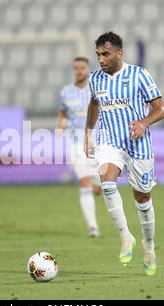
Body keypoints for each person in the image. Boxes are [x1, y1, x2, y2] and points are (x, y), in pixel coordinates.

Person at [84, 32, 164, 276]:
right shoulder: (95, 80)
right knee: (107, 182)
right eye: (98, 54)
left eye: (105, 54)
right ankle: (125, 236)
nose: (100, 59)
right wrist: (88, 133)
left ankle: (149, 245)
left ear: (119, 53)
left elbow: (161, 108)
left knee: (142, 200)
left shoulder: (139, 75)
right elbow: (94, 104)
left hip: (138, 144)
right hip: (110, 141)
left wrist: (143, 122)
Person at [57, 57, 101, 238]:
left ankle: (97, 184)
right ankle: (93, 226)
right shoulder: (66, 92)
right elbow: (63, 112)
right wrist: (60, 125)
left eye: (82, 67)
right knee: (84, 182)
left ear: (87, 69)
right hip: (75, 142)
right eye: (76, 68)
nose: (79, 71)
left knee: (99, 187)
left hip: (99, 141)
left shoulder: (96, 88)